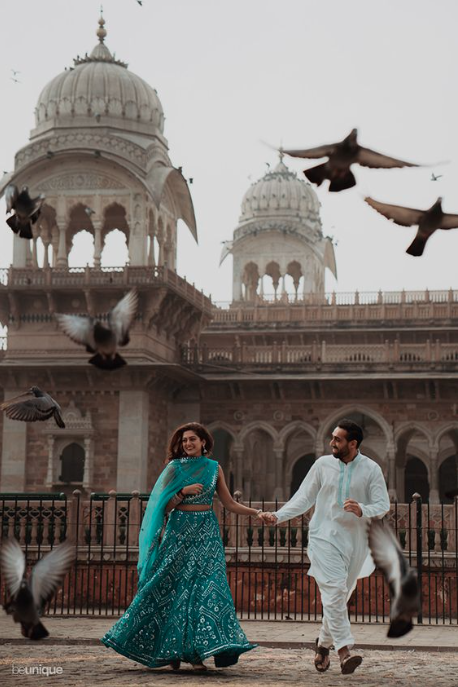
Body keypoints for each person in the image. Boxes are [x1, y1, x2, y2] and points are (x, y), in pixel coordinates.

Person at [102, 422, 261, 670]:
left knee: (207, 590)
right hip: (178, 533)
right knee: (172, 589)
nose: (187, 444)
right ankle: (171, 652)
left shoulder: (214, 468)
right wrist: (181, 492)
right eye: (184, 440)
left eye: (192, 440)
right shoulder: (173, 468)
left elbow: (229, 503)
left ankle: (196, 653)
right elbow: (159, 508)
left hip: (207, 534)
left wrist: (257, 513)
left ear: (204, 443)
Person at [260, 418, 390, 675]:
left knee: (340, 595)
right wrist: (279, 515)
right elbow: (304, 497)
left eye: (338, 439)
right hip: (324, 536)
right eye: (332, 437)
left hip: (355, 542)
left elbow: (382, 505)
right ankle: (344, 651)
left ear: (353, 444)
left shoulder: (371, 468)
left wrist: (362, 509)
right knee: (333, 590)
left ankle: (323, 645)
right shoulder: (322, 465)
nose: (332, 442)